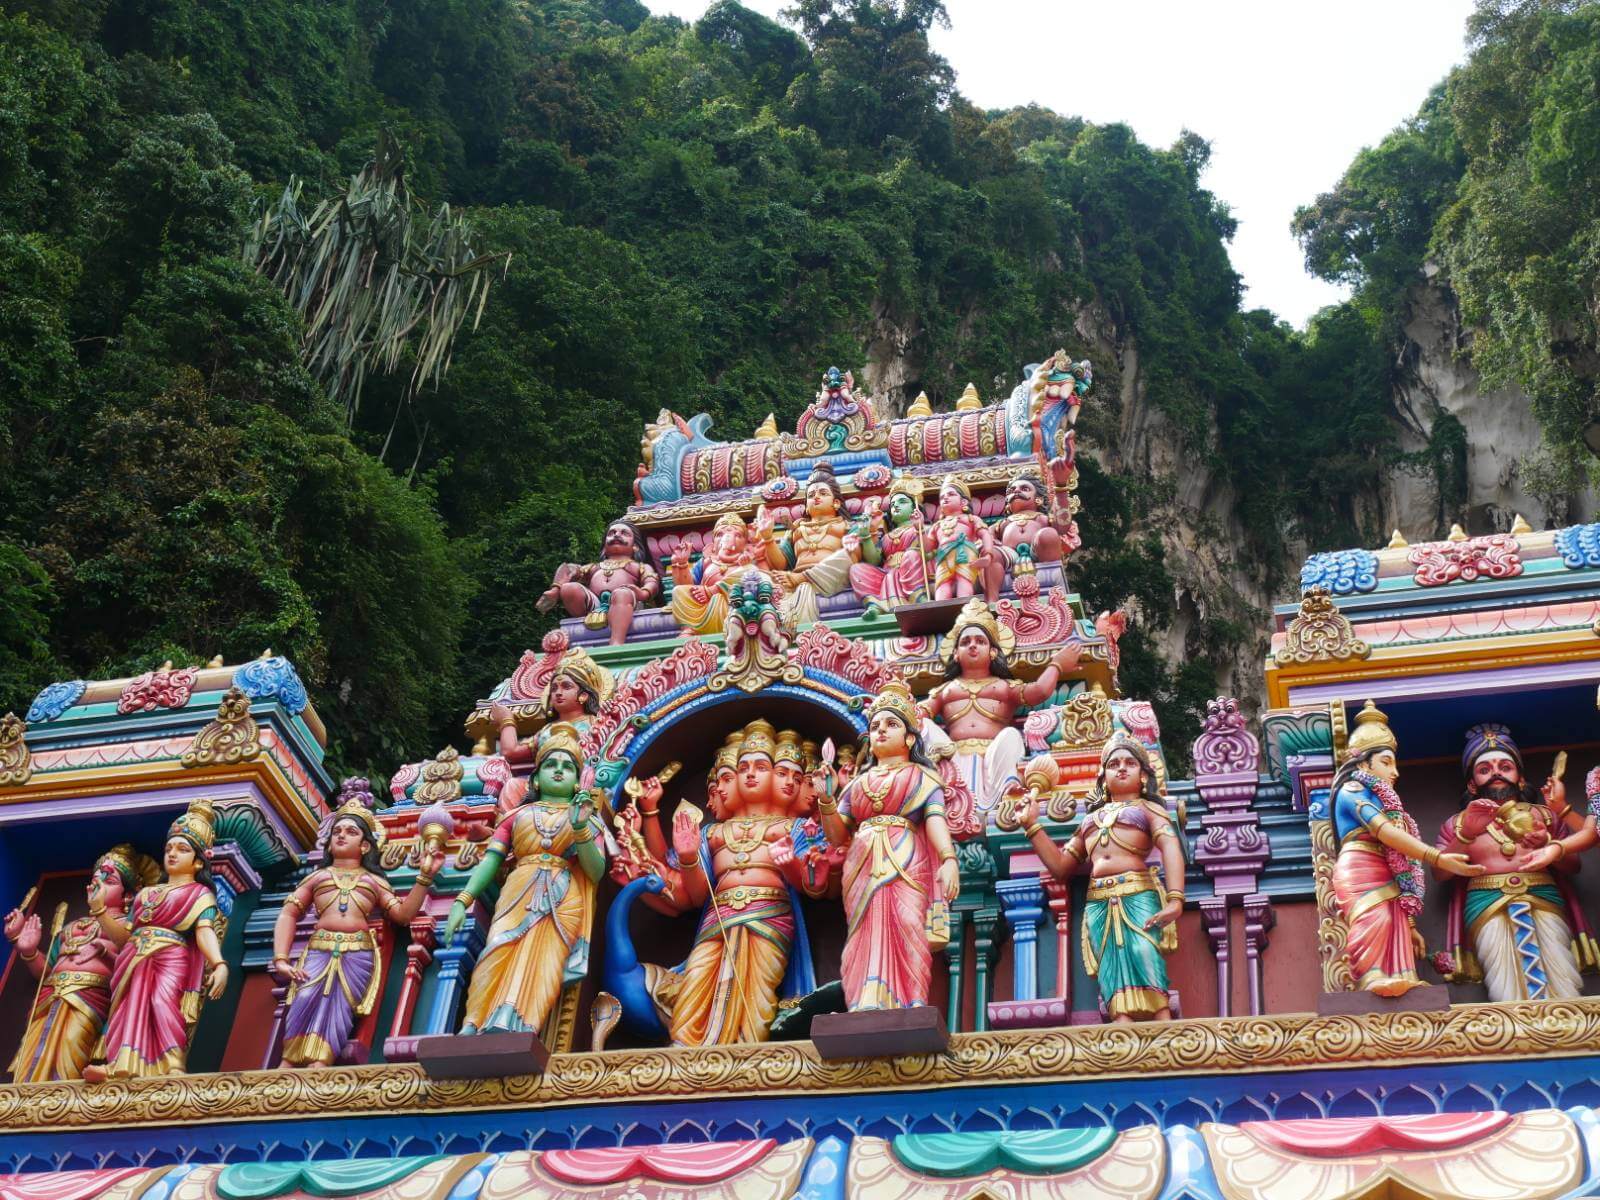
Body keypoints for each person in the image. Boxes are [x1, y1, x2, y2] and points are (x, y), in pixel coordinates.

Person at [444, 724, 606, 1038]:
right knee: (497, 949)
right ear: (535, 778)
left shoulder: (585, 819)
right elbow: (491, 861)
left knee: (544, 962)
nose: (559, 771)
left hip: (562, 898)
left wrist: (581, 829)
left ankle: (525, 1027)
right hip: (518, 888)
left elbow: (596, 871)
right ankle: (472, 1023)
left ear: (577, 782)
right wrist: (463, 901)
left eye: (568, 767)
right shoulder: (516, 816)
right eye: (551, 765)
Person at [271, 793, 445, 1067]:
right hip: (319, 949)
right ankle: (288, 1062)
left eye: (350, 832)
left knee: (339, 1006)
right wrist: (281, 959)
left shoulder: (373, 881)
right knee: (304, 998)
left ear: (365, 846)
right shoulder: (318, 877)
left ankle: (322, 1060)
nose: (341, 836)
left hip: (357, 954)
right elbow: (289, 913)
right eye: (337, 831)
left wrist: (424, 878)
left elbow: (401, 915)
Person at [1017, 735, 1183, 1021]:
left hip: (1137, 893)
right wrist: (1032, 825)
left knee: (1143, 950)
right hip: (1099, 901)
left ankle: (1162, 1019)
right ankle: (1122, 1022)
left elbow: (1170, 845)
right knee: (1110, 962)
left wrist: (1175, 898)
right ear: (1103, 777)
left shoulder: (1148, 809)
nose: (1121, 768)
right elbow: (1060, 867)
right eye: (1114, 764)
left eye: (1130, 763)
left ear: (1143, 775)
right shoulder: (1088, 821)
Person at [819, 681, 959, 1011]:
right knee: (863, 928)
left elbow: (936, 819)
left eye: (891, 724)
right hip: (862, 861)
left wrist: (949, 858)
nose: (881, 730)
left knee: (909, 923)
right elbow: (837, 835)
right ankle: (864, 998)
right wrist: (826, 799)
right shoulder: (857, 785)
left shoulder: (923, 778)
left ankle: (912, 1000)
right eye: (875, 726)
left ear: (910, 738)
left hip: (906, 856)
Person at [1331, 701, 1481, 995]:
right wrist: (1438, 857)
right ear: (1363, 764)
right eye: (1386, 762)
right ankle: (1371, 976)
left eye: (1394, 763)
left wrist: (1412, 924)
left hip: (1386, 869)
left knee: (1395, 918)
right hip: (1360, 865)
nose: (1395, 771)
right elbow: (1385, 833)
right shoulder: (1351, 791)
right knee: (1376, 916)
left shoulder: (1390, 805)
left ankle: (1403, 975)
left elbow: (1401, 861)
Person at [1434, 724, 1592, 1001]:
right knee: (1501, 969)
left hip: (1542, 893)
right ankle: (1517, 1027)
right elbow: (1439, 873)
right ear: (1472, 783)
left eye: (1505, 766)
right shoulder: (1458, 822)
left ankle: (1564, 1020)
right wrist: (1467, 834)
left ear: (1520, 778)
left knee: (1557, 961)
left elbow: (1574, 865)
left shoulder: (1544, 816)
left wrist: (1547, 845)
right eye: (1485, 769)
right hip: (1486, 901)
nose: (1496, 773)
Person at [87, 799, 228, 1079]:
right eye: (169, 848)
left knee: (163, 1003)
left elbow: (204, 930)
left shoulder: (199, 894)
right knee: (128, 1007)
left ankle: (172, 1063)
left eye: (182, 849)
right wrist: (99, 910)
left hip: (170, 954)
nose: (173, 854)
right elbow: (123, 938)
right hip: (134, 956)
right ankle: (121, 1064)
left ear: (199, 860)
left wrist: (219, 963)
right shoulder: (145, 895)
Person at [3, 846, 158, 1081]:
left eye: (110, 881)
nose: (98, 884)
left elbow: (134, 961)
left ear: (128, 895)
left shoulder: (128, 926)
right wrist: (27, 950)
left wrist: (105, 949)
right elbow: (46, 971)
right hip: (50, 995)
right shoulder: (72, 927)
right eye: (96, 879)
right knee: (33, 1056)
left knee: (70, 1050)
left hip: (89, 999)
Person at [919, 598, 1080, 819]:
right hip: (952, 757)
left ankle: (1009, 788)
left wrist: (1057, 665)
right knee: (924, 726)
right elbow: (918, 714)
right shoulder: (945, 690)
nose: (973, 645)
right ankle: (932, 786)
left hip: (993, 758)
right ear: (955, 653)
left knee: (1011, 735)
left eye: (980, 641)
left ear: (993, 651)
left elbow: (1039, 692)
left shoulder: (1004, 687)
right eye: (965, 642)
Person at [755, 462, 854, 626]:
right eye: (811, 494)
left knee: (847, 556)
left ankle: (800, 579)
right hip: (792, 577)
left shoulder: (846, 525)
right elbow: (780, 564)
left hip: (829, 577)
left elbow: (853, 557)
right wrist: (767, 538)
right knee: (753, 576)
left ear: (836, 503)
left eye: (823, 493)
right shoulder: (796, 529)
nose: (816, 497)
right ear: (806, 506)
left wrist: (867, 534)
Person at [537, 520, 660, 644]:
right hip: (595, 606)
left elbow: (652, 582)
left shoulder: (638, 567)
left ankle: (616, 642)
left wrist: (642, 593)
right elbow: (569, 569)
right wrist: (556, 589)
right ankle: (584, 634)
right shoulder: (595, 567)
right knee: (569, 588)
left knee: (621, 594)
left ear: (635, 546)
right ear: (604, 547)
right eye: (611, 533)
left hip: (627, 602)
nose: (617, 535)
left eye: (624, 533)